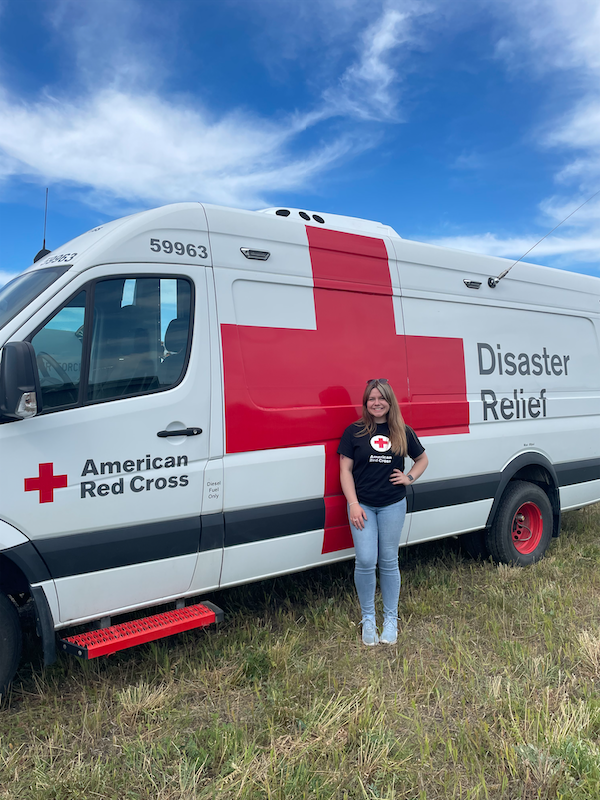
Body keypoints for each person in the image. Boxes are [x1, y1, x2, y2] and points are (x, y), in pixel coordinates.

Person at [338, 379, 429, 646]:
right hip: (362, 506)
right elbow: (345, 470)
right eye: (372, 398)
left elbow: (422, 459)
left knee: (389, 561)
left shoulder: (401, 431)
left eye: (381, 398)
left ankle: (390, 618)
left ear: (390, 401)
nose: (376, 403)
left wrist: (409, 478)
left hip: (392, 504)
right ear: (366, 402)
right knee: (366, 560)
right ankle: (368, 618)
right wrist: (353, 504)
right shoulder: (353, 432)